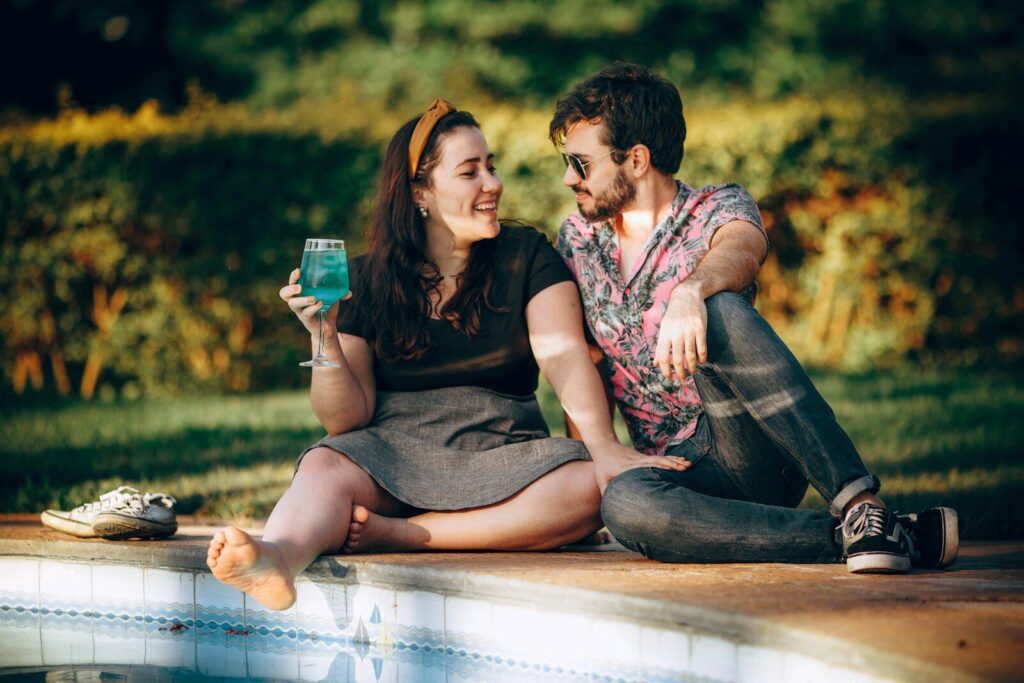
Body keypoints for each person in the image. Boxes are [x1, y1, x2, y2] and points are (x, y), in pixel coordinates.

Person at [207, 98, 689, 611]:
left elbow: (565, 354)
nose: (493, 184)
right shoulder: (366, 279)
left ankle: (409, 534)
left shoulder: (526, 255)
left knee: (593, 488)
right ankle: (278, 558)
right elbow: (346, 418)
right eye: (470, 172)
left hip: (506, 454)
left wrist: (602, 446)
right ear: (420, 192)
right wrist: (323, 335)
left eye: (491, 167)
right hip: (393, 455)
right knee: (326, 464)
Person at [548, 63, 959, 573]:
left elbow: (742, 250)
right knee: (626, 504)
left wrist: (690, 292)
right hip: (678, 470)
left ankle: (859, 504)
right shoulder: (578, 240)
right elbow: (582, 360)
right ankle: (871, 537)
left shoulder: (717, 207)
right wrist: (597, 462)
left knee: (718, 307)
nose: (569, 178)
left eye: (580, 163)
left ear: (636, 159)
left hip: (755, 445)